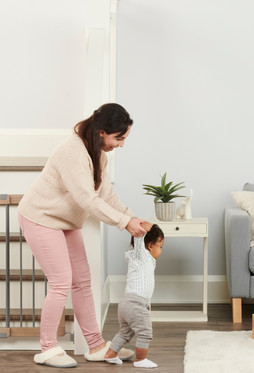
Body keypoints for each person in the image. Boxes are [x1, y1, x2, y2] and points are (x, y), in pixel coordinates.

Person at [18, 103, 147, 368]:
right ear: (101, 132)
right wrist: (124, 223)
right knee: (61, 281)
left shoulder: (98, 154)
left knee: (82, 281)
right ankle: (48, 348)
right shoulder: (73, 151)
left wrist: (131, 217)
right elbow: (86, 199)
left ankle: (96, 345)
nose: (121, 144)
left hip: (66, 221)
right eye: (119, 138)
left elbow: (106, 194)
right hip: (41, 217)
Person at [103, 222, 164, 368]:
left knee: (125, 333)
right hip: (136, 304)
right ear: (149, 246)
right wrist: (141, 229)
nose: (161, 250)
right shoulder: (141, 256)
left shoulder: (143, 259)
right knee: (145, 331)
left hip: (126, 304)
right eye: (160, 247)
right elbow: (138, 241)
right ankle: (140, 360)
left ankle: (110, 355)